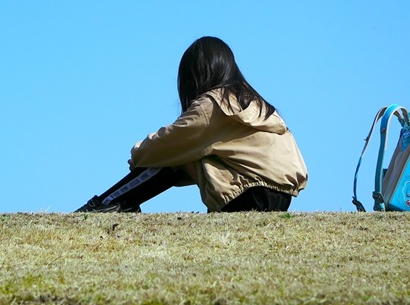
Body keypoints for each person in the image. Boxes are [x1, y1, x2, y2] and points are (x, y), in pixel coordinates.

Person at [76, 36, 308, 213]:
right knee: (183, 151)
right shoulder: (257, 105)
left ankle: (106, 205)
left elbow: (170, 142)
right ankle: (118, 203)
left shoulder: (216, 103)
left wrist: (139, 153)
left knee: (171, 152)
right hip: (279, 196)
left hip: (248, 195)